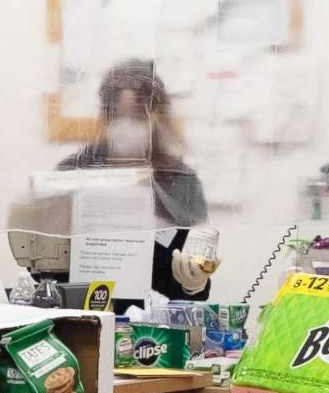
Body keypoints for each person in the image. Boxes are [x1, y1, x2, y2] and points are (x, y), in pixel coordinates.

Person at [56, 60, 213, 300]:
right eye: (116, 115)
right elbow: (43, 277)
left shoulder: (181, 182)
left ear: (156, 118)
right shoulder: (72, 173)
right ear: (104, 116)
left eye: (137, 116)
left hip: (153, 328)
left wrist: (194, 283)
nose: (125, 126)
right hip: (82, 318)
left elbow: (192, 288)